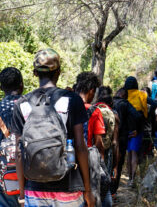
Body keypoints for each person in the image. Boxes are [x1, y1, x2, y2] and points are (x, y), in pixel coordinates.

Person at [11, 48, 94, 207]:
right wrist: (88, 190)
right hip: (68, 187)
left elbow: (19, 153)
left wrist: (22, 194)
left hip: (34, 189)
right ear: (59, 72)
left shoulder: (22, 104)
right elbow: (80, 147)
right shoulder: (72, 100)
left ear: (35, 73)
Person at [0, 67, 23, 207]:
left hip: (3, 177)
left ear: (1, 87)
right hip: (31, 173)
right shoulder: (32, 105)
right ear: (21, 85)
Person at [111, 88, 140, 196]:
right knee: (118, 163)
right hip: (121, 138)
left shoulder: (109, 101)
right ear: (125, 96)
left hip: (107, 138)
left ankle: (105, 192)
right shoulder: (126, 104)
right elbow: (136, 116)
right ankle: (113, 192)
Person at [95, 86, 119, 207]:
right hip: (107, 154)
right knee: (105, 185)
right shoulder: (114, 115)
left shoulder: (92, 111)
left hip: (92, 153)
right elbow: (115, 143)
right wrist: (115, 166)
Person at [124, 77, 147, 187]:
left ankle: (128, 177)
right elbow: (145, 110)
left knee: (128, 153)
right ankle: (132, 178)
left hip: (126, 128)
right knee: (134, 153)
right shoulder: (141, 94)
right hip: (138, 127)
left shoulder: (124, 94)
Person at [75, 72, 105, 156]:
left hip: (66, 157)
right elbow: (98, 143)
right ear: (92, 91)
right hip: (85, 157)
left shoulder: (67, 104)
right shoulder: (94, 111)